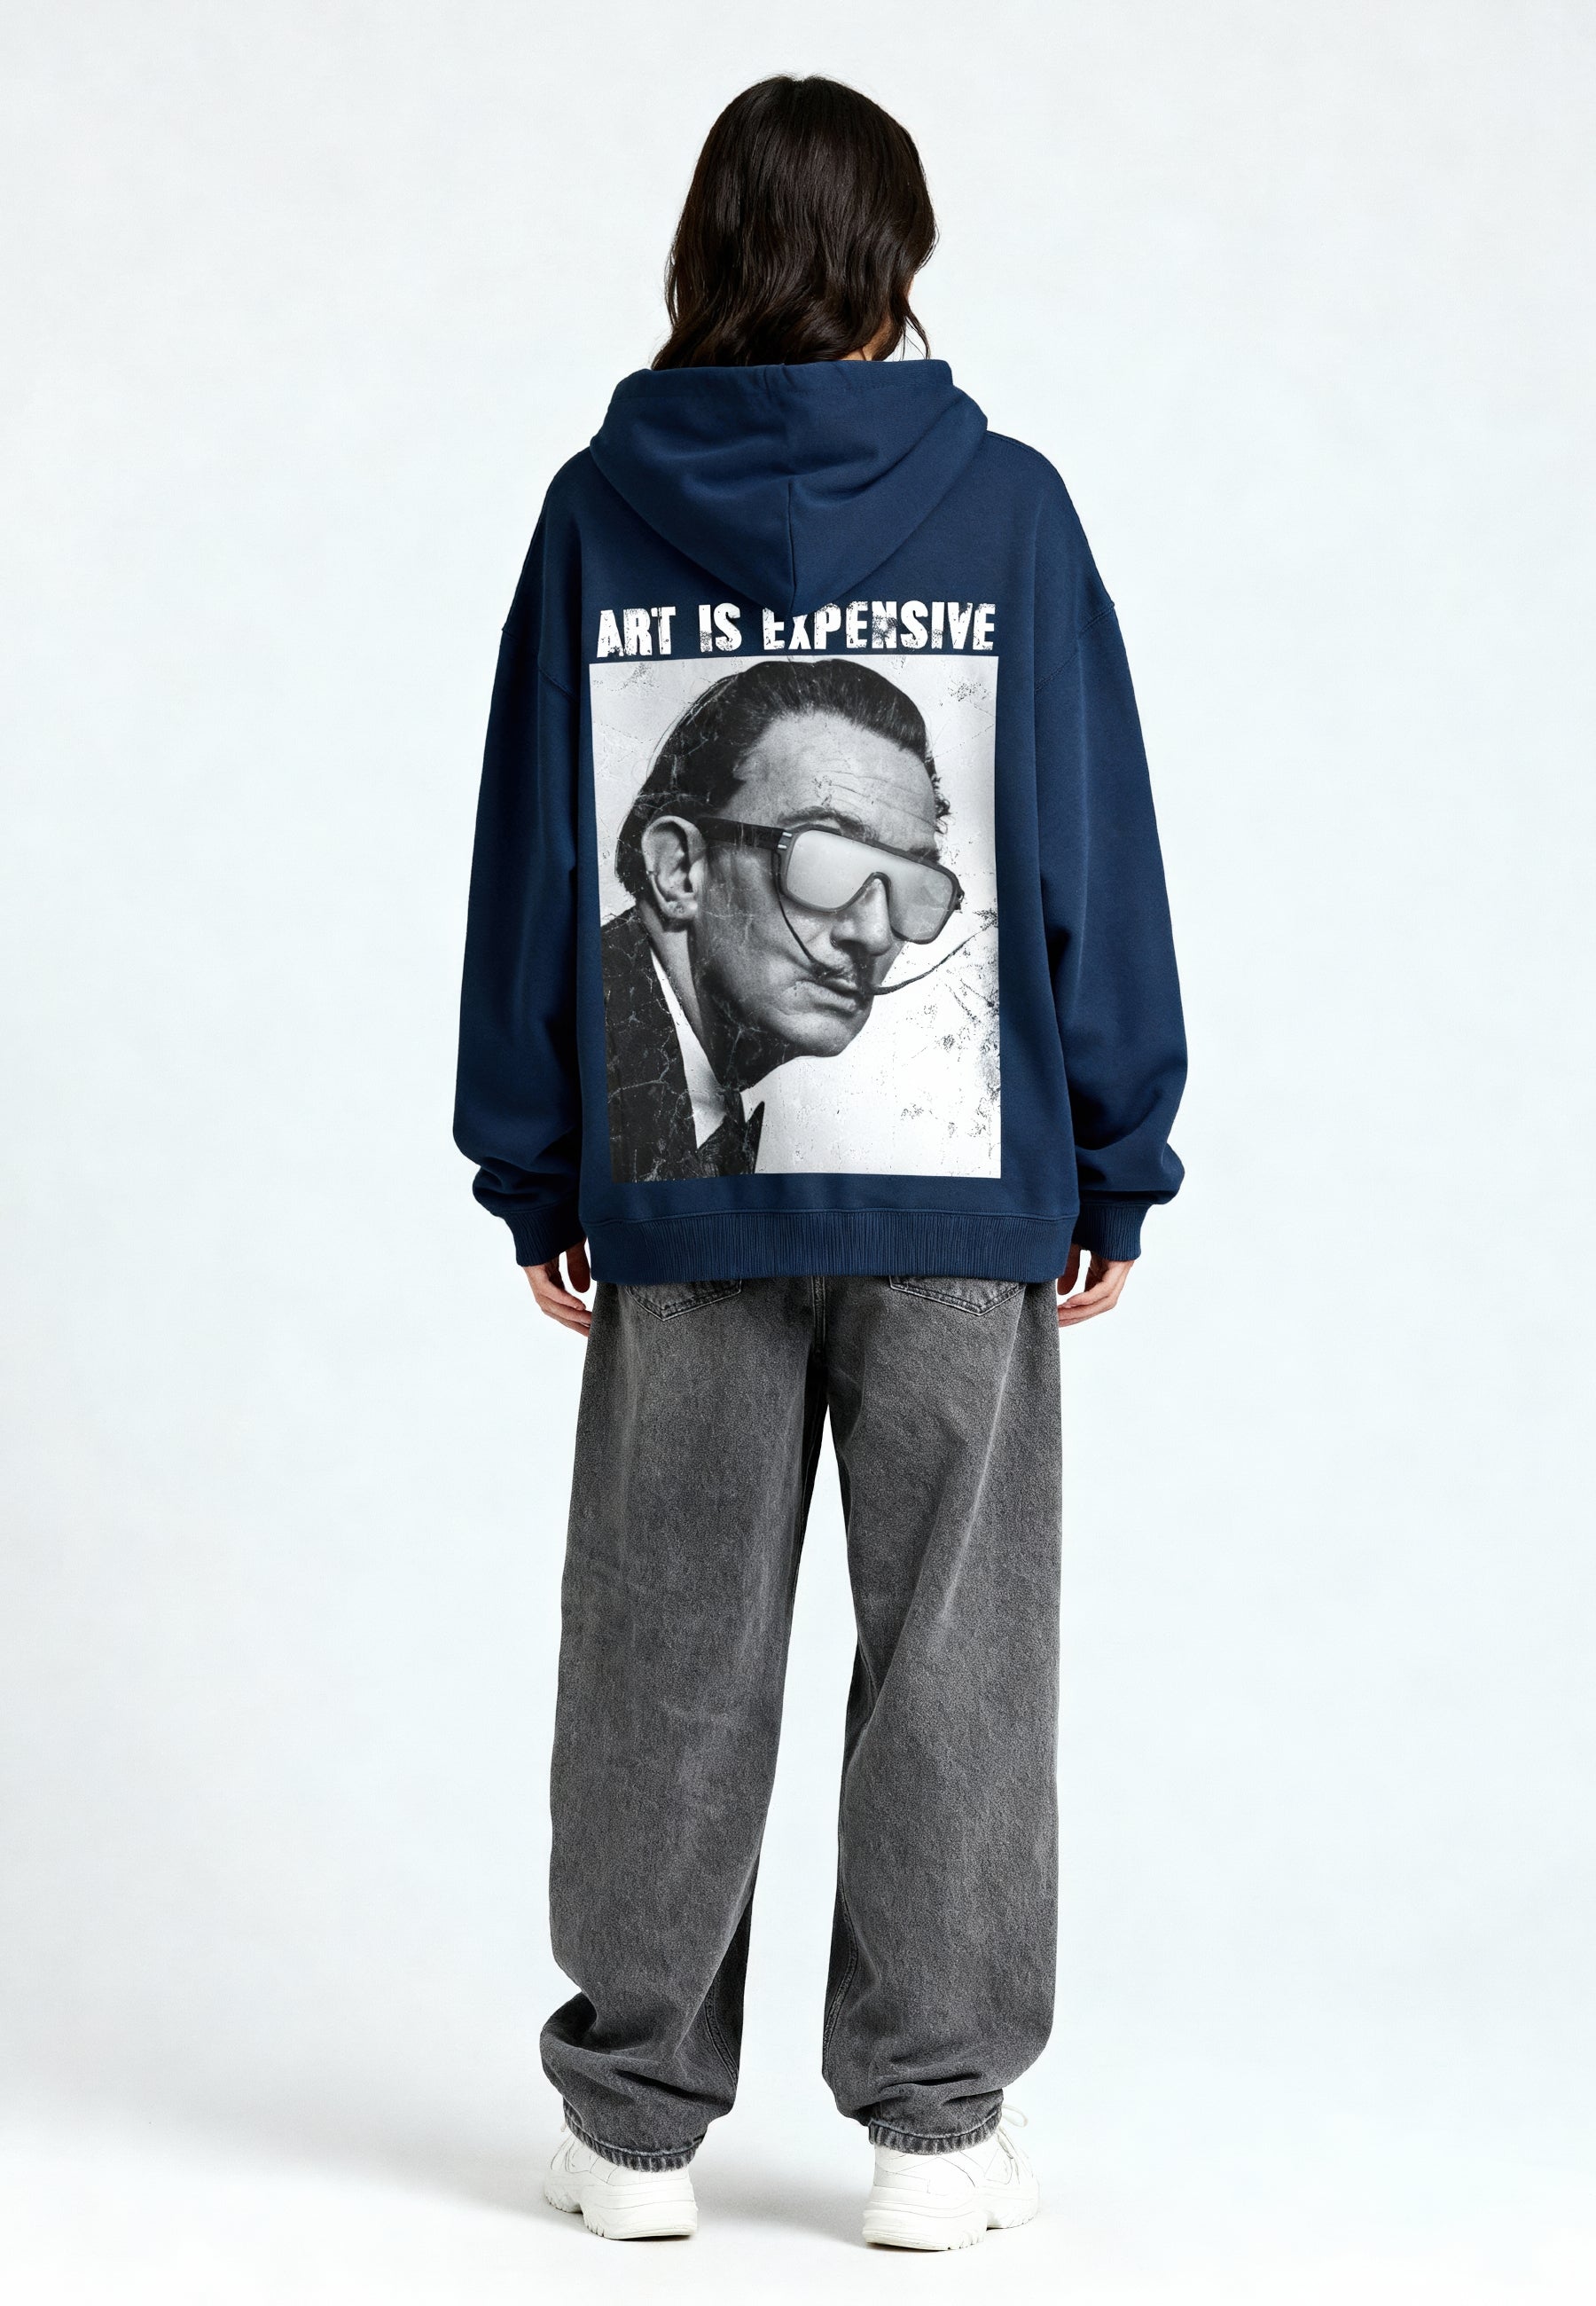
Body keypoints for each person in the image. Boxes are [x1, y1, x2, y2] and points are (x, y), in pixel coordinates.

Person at [455, 74, 1185, 2251]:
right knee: (956, 1651)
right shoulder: (1009, 509)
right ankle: (935, 2139)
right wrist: (1116, 1146)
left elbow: (526, 857)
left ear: (706, 251)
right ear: (896, 259)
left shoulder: (599, 509)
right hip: (967, 1205)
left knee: (664, 1642)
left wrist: (534, 1157)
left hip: (676, 1214)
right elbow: (1088, 842)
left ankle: (632, 2135)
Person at [603, 656, 958, 1181]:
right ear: (679, 870)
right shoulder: (576, 1073)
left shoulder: (679, 1081)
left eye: (912, 884)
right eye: (825, 860)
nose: (875, 934)